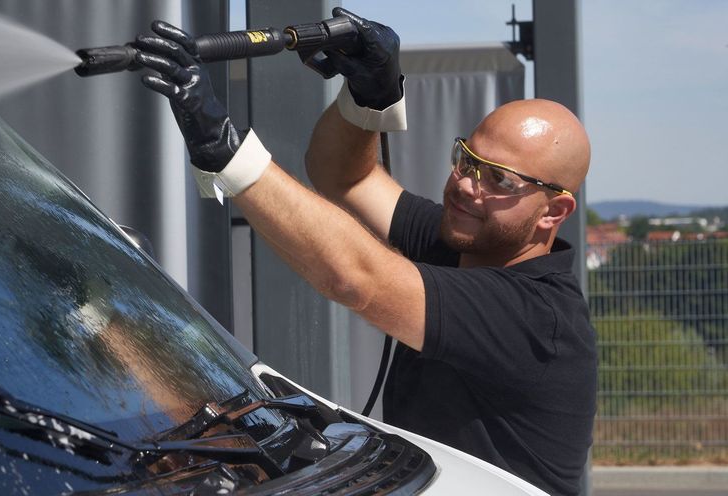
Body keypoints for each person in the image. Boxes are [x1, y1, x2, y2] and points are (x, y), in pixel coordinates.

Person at [133, 8, 595, 495]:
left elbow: (356, 278)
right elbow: (347, 178)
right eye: (467, 159)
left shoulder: (537, 317)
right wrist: (370, 96)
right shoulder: (464, 240)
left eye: (499, 179)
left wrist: (224, 150)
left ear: (554, 211)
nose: (465, 185)